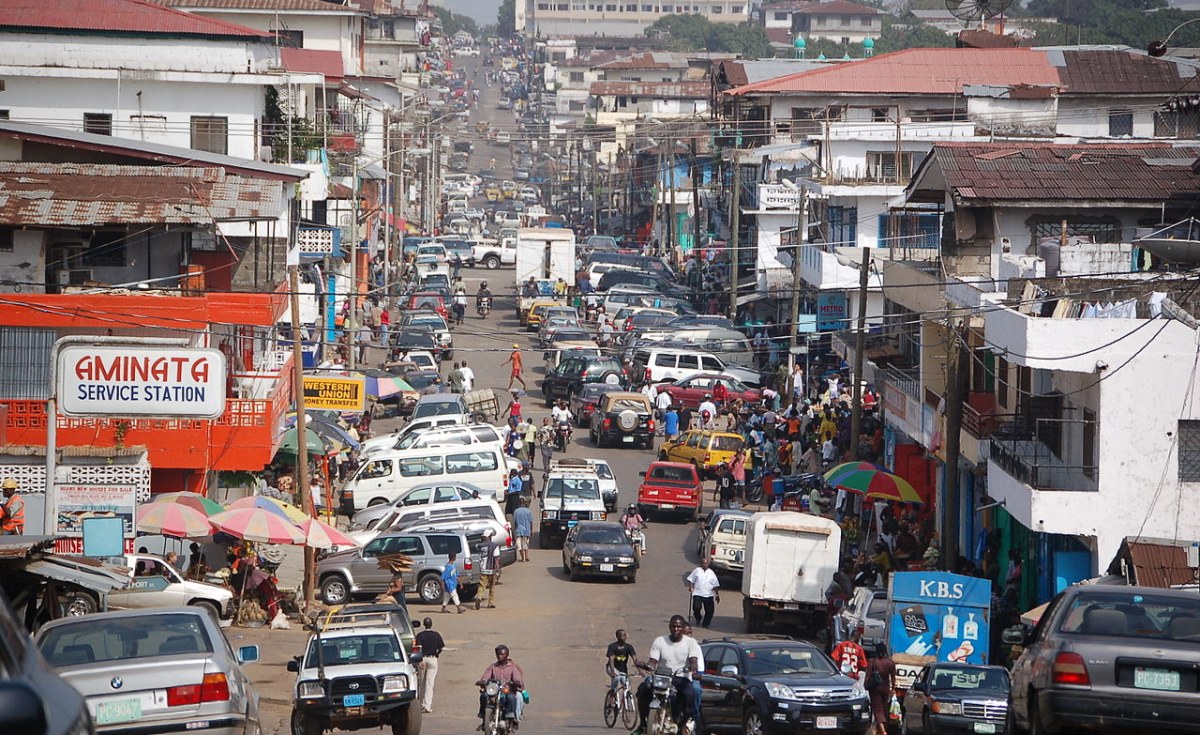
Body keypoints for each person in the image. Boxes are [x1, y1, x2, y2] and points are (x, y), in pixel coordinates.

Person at [633, 615, 701, 735]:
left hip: (681, 678)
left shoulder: (691, 643)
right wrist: (648, 665)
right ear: (669, 627)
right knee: (643, 689)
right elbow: (653, 661)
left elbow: (693, 659)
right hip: (662, 677)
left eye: (678, 627)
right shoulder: (660, 641)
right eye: (673, 626)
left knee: (689, 694)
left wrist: (693, 666)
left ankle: (684, 724)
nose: (676, 629)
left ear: (682, 628)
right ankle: (643, 724)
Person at [476, 644, 525, 726]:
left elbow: (517, 678)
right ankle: (484, 716)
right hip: (495, 691)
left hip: (507, 691)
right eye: (498, 654)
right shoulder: (493, 667)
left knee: (511, 697)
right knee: (483, 695)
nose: (500, 656)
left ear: (507, 655)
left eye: (502, 654)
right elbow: (486, 676)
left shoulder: (512, 667)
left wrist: (516, 681)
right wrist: (483, 681)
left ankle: (511, 718)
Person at [415, 618, 445, 713]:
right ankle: (428, 706)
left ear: (424, 625)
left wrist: (419, 660)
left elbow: (418, 649)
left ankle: (421, 704)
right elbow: (441, 647)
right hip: (432, 659)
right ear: (431, 624)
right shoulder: (436, 635)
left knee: (421, 683)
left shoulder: (420, 635)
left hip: (422, 659)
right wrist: (437, 654)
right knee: (429, 684)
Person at [866, 643, 897, 735]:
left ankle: (883, 731)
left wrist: (865, 685)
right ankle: (878, 730)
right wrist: (893, 688)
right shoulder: (890, 663)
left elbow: (868, 675)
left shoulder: (872, 661)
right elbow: (893, 677)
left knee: (877, 709)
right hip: (886, 689)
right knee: (883, 709)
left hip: (875, 689)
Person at [686, 558, 720, 628]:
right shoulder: (697, 571)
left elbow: (716, 585)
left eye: (707, 564)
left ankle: (705, 624)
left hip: (708, 594)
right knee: (696, 608)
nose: (705, 565)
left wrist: (717, 594)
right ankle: (698, 618)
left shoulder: (711, 573)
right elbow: (690, 580)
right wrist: (691, 587)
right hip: (698, 593)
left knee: (710, 611)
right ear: (701, 564)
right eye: (704, 563)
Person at [476, 530, 501, 609]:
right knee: (492, 586)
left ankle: (479, 597)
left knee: (482, 585)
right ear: (489, 537)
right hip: (491, 569)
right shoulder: (494, 546)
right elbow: (496, 559)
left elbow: (476, 548)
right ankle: (490, 603)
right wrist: (498, 569)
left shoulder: (480, 546)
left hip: (483, 569)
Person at [513, 497, 533, 562]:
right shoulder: (528, 511)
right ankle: (526, 556)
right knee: (525, 544)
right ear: (525, 503)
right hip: (527, 530)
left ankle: (523, 557)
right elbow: (531, 522)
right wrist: (531, 531)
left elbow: (514, 522)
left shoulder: (516, 511)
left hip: (519, 530)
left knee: (519, 545)